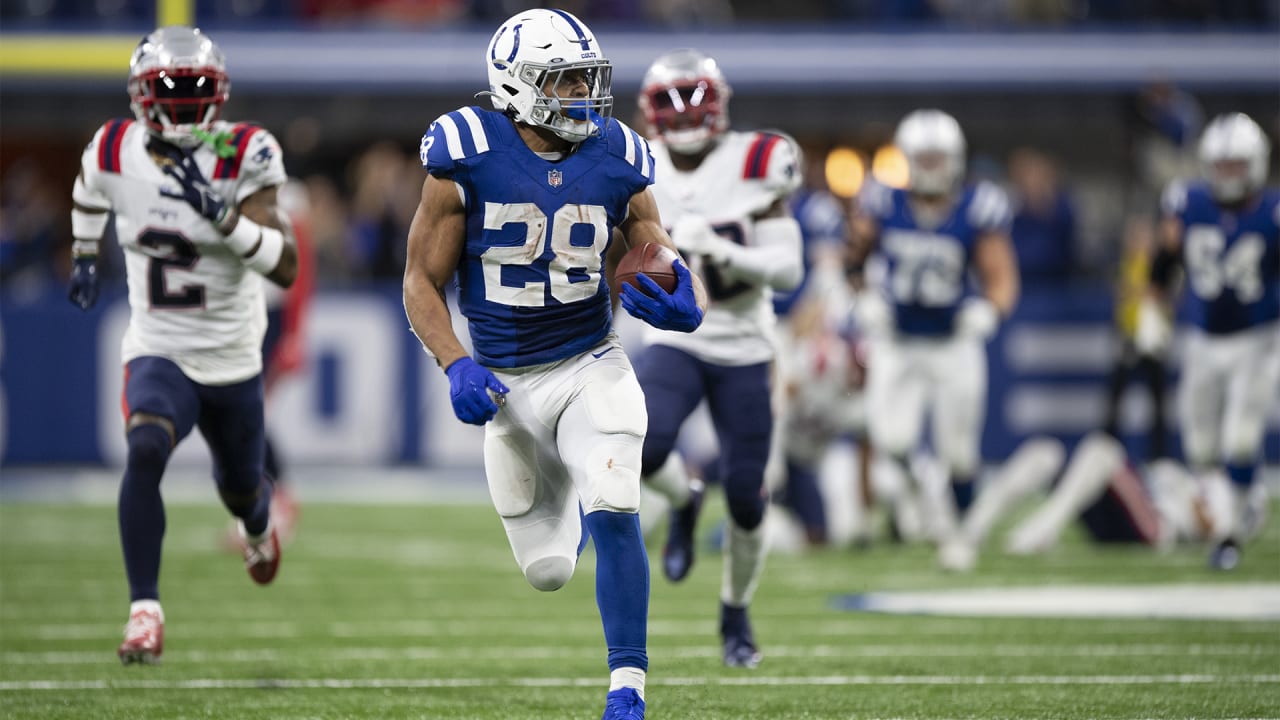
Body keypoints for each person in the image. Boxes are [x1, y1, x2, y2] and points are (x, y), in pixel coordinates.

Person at [401, 10, 707, 719]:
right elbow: (420, 279)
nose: (581, 94)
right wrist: (454, 363)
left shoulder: (618, 153)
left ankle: (626, 689)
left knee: (616, 505)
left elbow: (651, 239)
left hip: (589, 361)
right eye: (563, 80)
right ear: (516, 86)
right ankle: (569, 486)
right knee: (546, 572)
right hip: (508, 384)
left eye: (585, 78)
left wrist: (680, 286)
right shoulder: (465, 151)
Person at [66, 26, 297, 664]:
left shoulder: (245, 150)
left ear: (218, 92)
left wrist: (222, 218)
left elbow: (286, 266)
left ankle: (258, 527)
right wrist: (86, 253)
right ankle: (144, 611)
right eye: (171, 88)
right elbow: (88, 191)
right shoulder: (114, 147)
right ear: (142, 94)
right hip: (159, 347)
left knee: (243, 490)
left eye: (196, 88)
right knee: (144, 447)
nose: (184, 101)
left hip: (230, 357)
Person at [632, 48, 804, 669]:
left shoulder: (757, 161)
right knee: (644, 448)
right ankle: (682, 499)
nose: (682, 117)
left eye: (692, 100)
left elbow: (789, 270)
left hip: (744, 345)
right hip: (676, 338)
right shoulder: (636, 164)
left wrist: (723, 253)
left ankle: (735, 610)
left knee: (747, 498)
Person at [844, 109, 1020, 572]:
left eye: (938, 158)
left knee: (959, 452)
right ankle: (924, 498)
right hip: (898, 340)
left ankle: (959, 533)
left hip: (952, 342)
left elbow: (1001, 276)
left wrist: (990, 309)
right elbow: (852, 257)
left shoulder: (977, 207)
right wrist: (861, 296)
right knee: (892, 439)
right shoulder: (883, 201)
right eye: (923, 158)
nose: (931, 167)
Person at [1136, 112, 1279, 571]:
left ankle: (1230, 532)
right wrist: (1152, 311)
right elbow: (1164, 260)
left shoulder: (1272, 212)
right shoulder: (1188, 201)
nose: (1229, 176)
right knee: (1200, 447)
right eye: (1222, 166)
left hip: (1259, 337)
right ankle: (1239, 499)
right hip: (1203, 337)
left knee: (1240, 438)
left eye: (1237, 166)